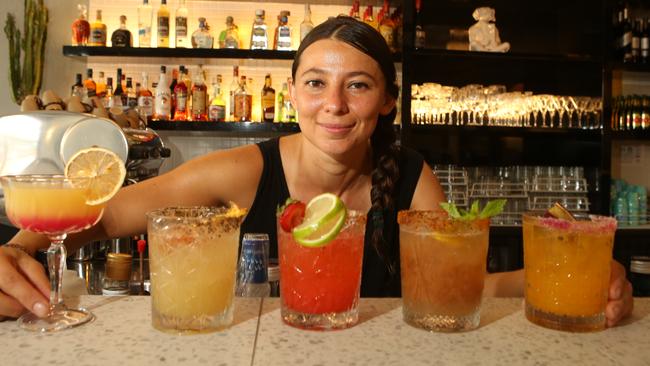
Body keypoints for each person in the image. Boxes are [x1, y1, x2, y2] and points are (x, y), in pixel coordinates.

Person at [0, 16, 633, 326]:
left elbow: (454, 289)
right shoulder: (248, 168)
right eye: (315, 84)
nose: (334, 105)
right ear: (293, 94)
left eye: (357, 86)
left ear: (386, 101)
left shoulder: (410, 176)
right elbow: (106, 210)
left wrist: (565, 277)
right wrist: (19, 251)